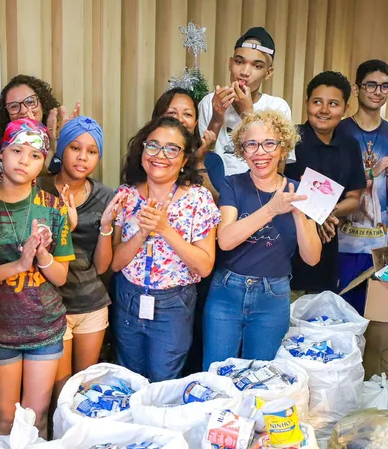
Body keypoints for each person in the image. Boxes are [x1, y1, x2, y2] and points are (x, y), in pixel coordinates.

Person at [0, 119, 75, 437]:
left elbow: (60, 277)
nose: (24, 161)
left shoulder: (53, 207)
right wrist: (19, 262)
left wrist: (42, 256)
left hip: (45, 328)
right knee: (4, 417)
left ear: (43, 162)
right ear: (1, 153)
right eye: (16, 150)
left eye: (34, 155)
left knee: (36, 416)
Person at [203, 110, 319, 367]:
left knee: (262, 377)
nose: (260, 152)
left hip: (273, 296)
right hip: (226, 292)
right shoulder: (232, 184)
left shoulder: (299, 190)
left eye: (269, 143)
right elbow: (225, 239)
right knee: (216, 373)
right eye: (251, 144)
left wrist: (299, 214)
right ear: (241, 150)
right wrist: (271, 209)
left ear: (283, 148)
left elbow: (312, 258)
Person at [111, 116, 219, 381]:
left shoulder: (198, 198)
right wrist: (142, 233)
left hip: (173, 304)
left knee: (163, 381)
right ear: (142, 151)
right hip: (128, 298)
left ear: (184, 160)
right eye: (153, 146)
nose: (160, 155)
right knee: (129, 380)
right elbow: (114, 263)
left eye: (172, 149)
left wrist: (164, 229)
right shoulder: (126, 195)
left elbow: (204, 266)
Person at [38, 117, 122, 400]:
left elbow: (101, 266)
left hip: (90, 304)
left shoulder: (105, 195)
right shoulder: (38, 188)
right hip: (50, 304)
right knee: (59, 393)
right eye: (75, 148)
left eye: (92, 151)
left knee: (84, 390)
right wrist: (66, 226)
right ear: (61, 150)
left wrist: (107, 227)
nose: (83, 157)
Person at [337, 59, 388, 313]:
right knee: (336, 310)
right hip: (338, 241)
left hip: (376, 245)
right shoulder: (339, 130)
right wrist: (376, 169)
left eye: (384, 86)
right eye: (371, 85)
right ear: (357, 87)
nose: (377, 92)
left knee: (368, 312)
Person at [285, 71, 365, 296]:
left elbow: (354, 199)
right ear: (307, 103)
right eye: (317, 102)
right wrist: (314, 216)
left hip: (328, 247)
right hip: (290, 249)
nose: (324, 110)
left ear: (345, 109)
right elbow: (278, 188)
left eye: (333, 104)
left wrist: (326, 212)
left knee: (321, 319)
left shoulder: (350, 145)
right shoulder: (291, 140)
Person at [198, 26, 294, 177]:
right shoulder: (209, 102)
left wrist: (248, 115)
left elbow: (279, 169)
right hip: (216, 190)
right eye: (239, 62)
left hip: (258, 191)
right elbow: (201, 162)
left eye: (257, 66)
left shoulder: (278, 107)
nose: (244, 72)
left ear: (268, 73)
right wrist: (216, 120)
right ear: (230, 64)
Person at [0, 75, 80, 172]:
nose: (23, 110)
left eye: (30, 102)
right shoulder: (1, 148)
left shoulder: (60, 137)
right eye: (14, 106)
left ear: (43, 104)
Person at [151, 87, 220, 197]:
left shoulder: (212, 160)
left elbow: (217, 205)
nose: (179, 119)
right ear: (157, 119)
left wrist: (199, 162)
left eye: (187, 114)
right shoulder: (148, 155)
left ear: (195, 123)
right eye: (172, 113)